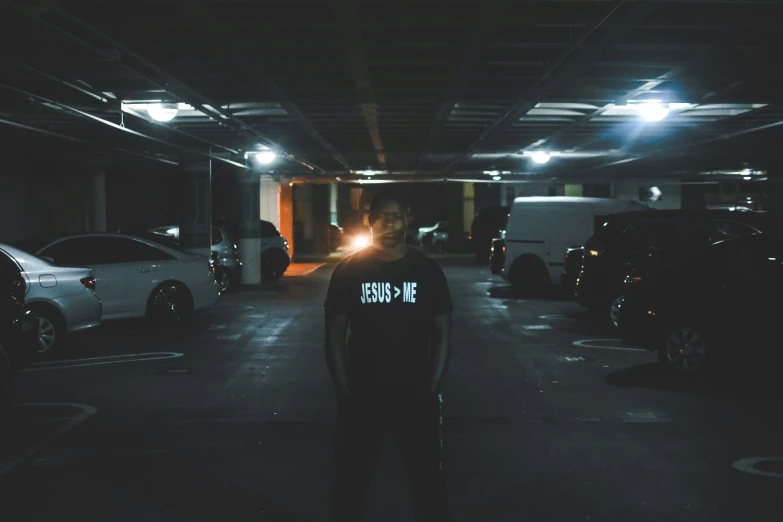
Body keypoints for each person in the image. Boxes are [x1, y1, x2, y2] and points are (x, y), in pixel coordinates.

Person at [324, 190, 453, 522]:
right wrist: (344, 391)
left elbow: (443, 334)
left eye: (397, 216)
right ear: (370, 222)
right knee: (350, 480)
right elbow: (335, 334)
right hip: (363, 393)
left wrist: (432, 388)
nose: (389, 222)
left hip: (414, 394)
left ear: (407, 221)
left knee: (428, 481)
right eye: (382, 216)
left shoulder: (427, 271)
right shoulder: (349, 271)